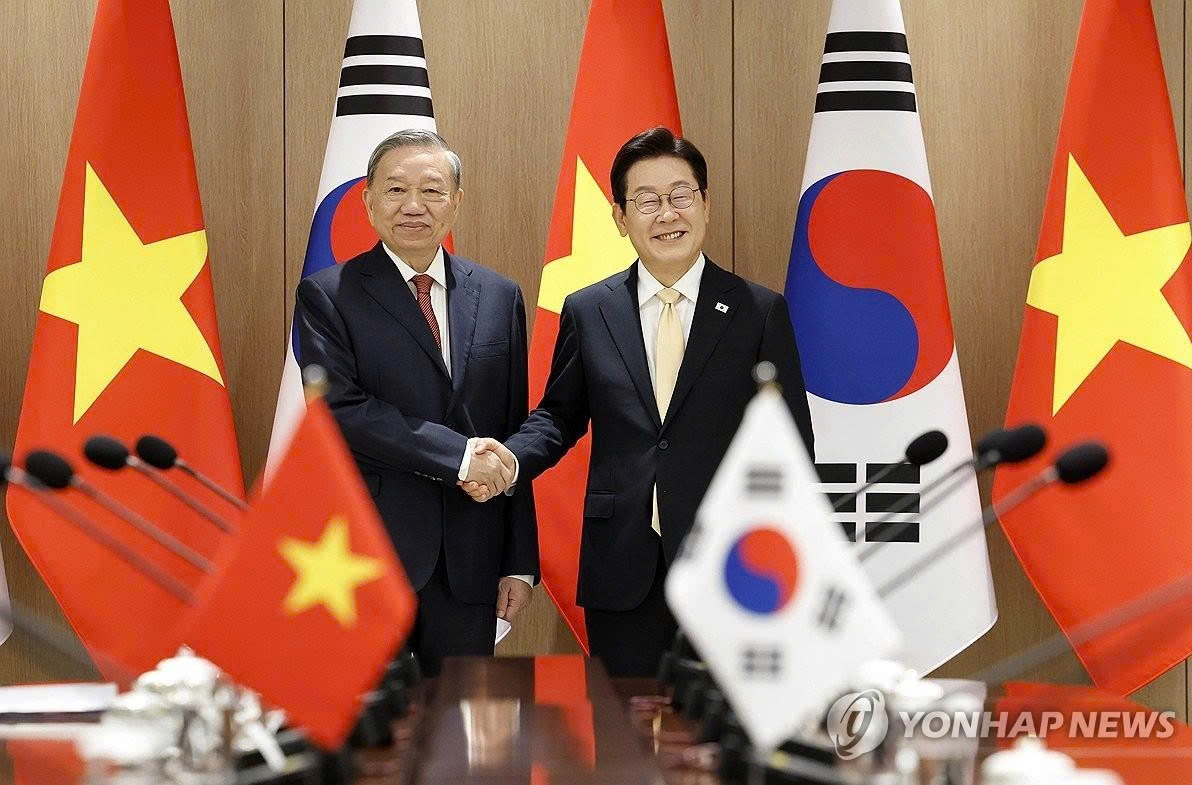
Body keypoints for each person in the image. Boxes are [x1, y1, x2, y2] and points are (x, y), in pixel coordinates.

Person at [466, 127, 815, 676]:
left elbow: (790, 444)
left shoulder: (758, 311)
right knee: (624, 724)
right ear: (620, 217)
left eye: (681, 196)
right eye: (647, 201)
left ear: (705, 203)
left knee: (720, 725)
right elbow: (558, 417)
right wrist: (510, 460)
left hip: (732, 568)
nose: (667, 214)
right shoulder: (589, 310)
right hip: (622, 564)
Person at [294, 129, 537, 676]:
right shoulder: (328, 295)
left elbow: (512, 427)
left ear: (456, 201)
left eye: (431, 190)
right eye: (396, 189)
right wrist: (459, 457)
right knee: (373, 719)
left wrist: (519, 562)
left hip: (472, 558)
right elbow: (340, 410)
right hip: (367, 555)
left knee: (460, 718)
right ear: (368, 201)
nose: (413, 206)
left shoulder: (500, 296)